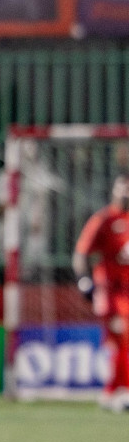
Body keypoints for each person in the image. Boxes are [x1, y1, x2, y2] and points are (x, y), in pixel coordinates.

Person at [74, 175, 129, 411]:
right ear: (115, 190)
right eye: (122, 188)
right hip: (111, 290)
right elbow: (81, 253)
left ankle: (113, 391)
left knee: (122, 340)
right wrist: (85, 281)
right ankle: (117, 390)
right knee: (119, 337)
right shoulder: (104, 219)